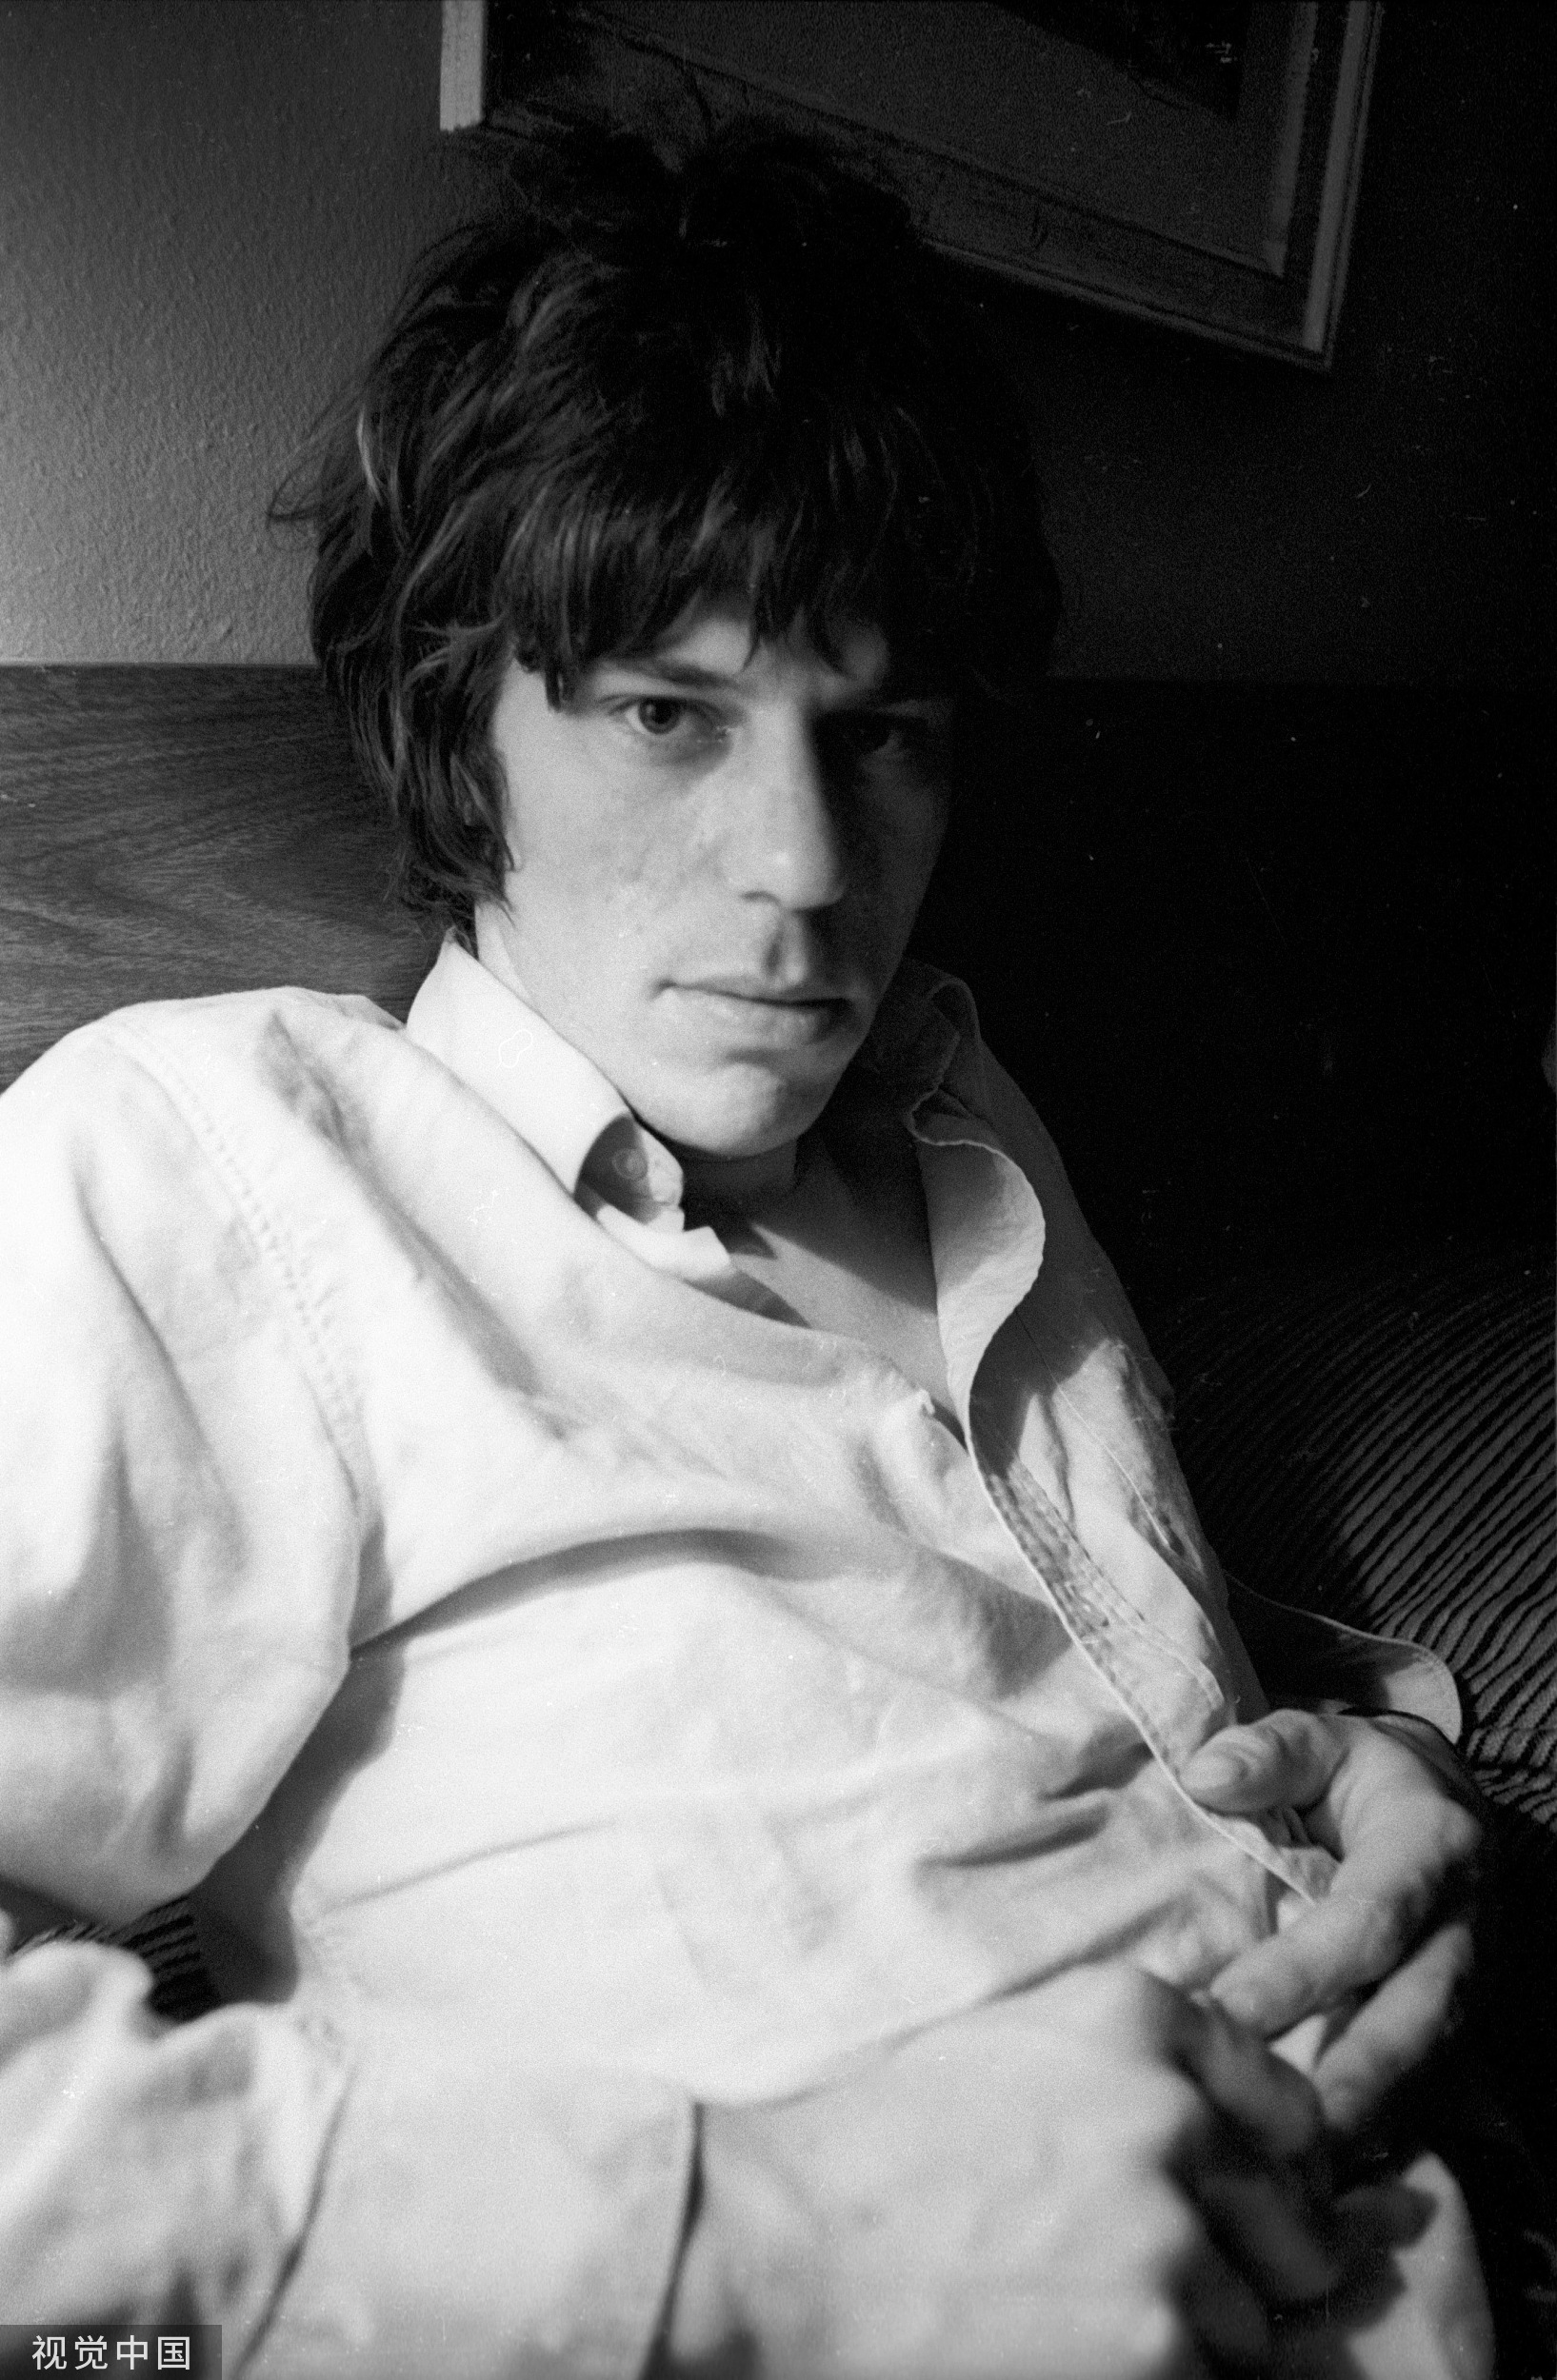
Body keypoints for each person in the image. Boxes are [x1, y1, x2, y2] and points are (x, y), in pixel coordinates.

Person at [0, 132, 1488, 2378]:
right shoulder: (221, 1165)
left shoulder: (963, 1114)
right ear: (457, 717)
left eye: (876, 733)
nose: (803, 868)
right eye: (665, 712)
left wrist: (1369, 1768)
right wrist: (753, 2237)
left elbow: (1025, 1670)